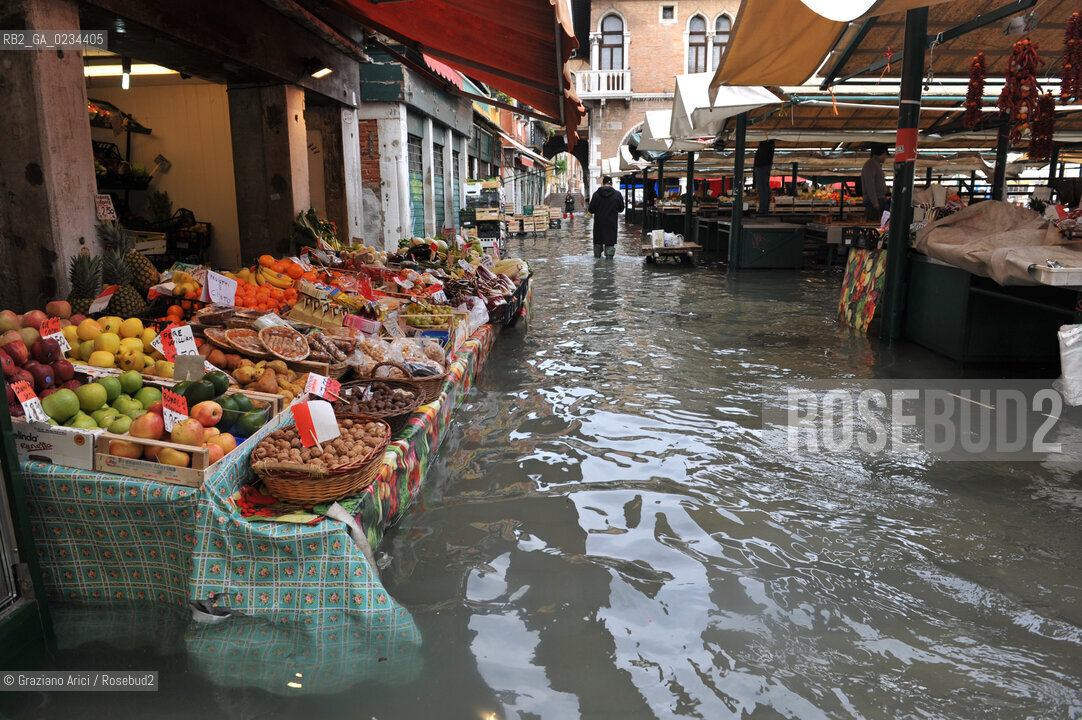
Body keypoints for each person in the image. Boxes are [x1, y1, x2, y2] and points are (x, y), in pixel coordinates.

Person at [588, 175, 625, 259]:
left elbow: (591, 210)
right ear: (611, 183)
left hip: (599, 224)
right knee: (610, 246)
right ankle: (609, 265)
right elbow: (621, 209)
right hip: (611, 224)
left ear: (602, 183)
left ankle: (597, 265)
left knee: (597, 246)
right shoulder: (617, 194)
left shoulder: (596, 194)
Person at [862, 143, 890, 222]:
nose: (886, 157)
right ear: (883, 153)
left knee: (884, 223)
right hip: (876, 201)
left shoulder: (875, 164)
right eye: (885, 155)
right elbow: (869, 184)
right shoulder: (871, 164)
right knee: (876, 223)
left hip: (879, 199)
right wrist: (875, 202)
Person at [753, 139, 775, 215]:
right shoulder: (770, 143)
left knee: (762, 188)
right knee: (764, 188)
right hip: (765, 165)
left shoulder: (765, 142)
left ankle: (763, 210)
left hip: (762, 165)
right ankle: (764, 209)